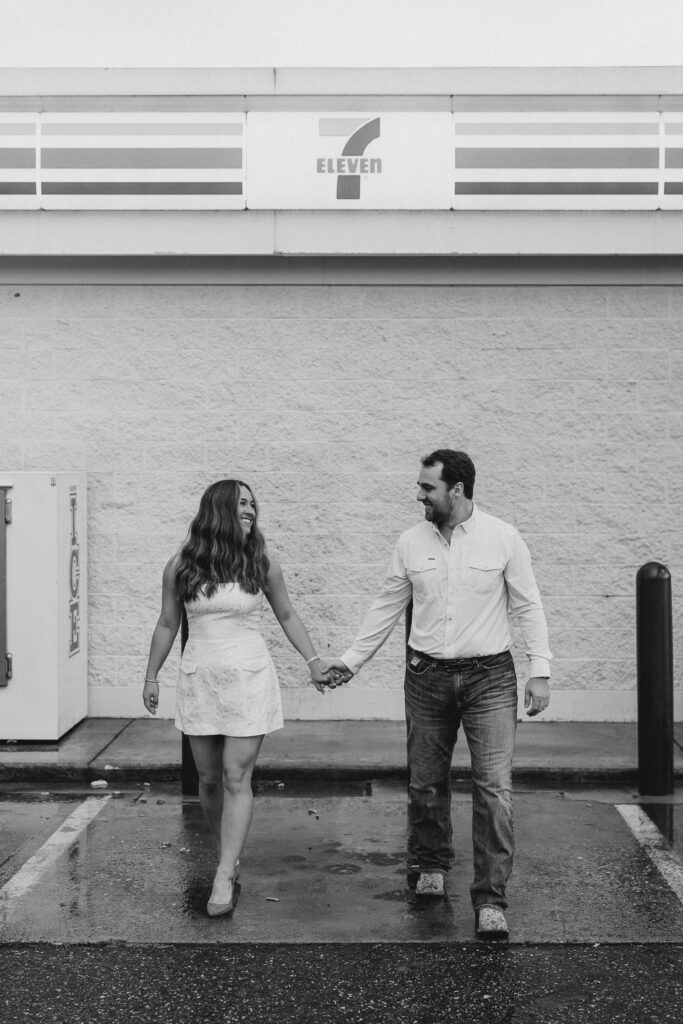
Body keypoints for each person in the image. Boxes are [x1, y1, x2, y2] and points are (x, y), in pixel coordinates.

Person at [327, 449, 551, 940]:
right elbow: (385, 606)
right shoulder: (411, 542)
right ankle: (430, 863)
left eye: (428, 487)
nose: (419, 495)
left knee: (494, 789)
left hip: (490, 677)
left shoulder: (503, 537)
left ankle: (490, 899)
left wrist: (540, 671)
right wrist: (350, 662)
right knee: (426, 781)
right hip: (425, 676)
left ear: (457, 489)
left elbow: (528, 606)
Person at [142, 479, 333, 917]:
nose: (250, 510)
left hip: (248, 677)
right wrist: (151, 676)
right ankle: (228, 852)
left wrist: (313, 660)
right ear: (220, 510)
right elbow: (168, 624)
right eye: (242, 503)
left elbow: (286, 613)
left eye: (252, 504)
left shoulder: (260, 561)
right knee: (207, 779)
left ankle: (224, 871)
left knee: (235, 776)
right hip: (200, 679)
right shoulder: (182, 564)